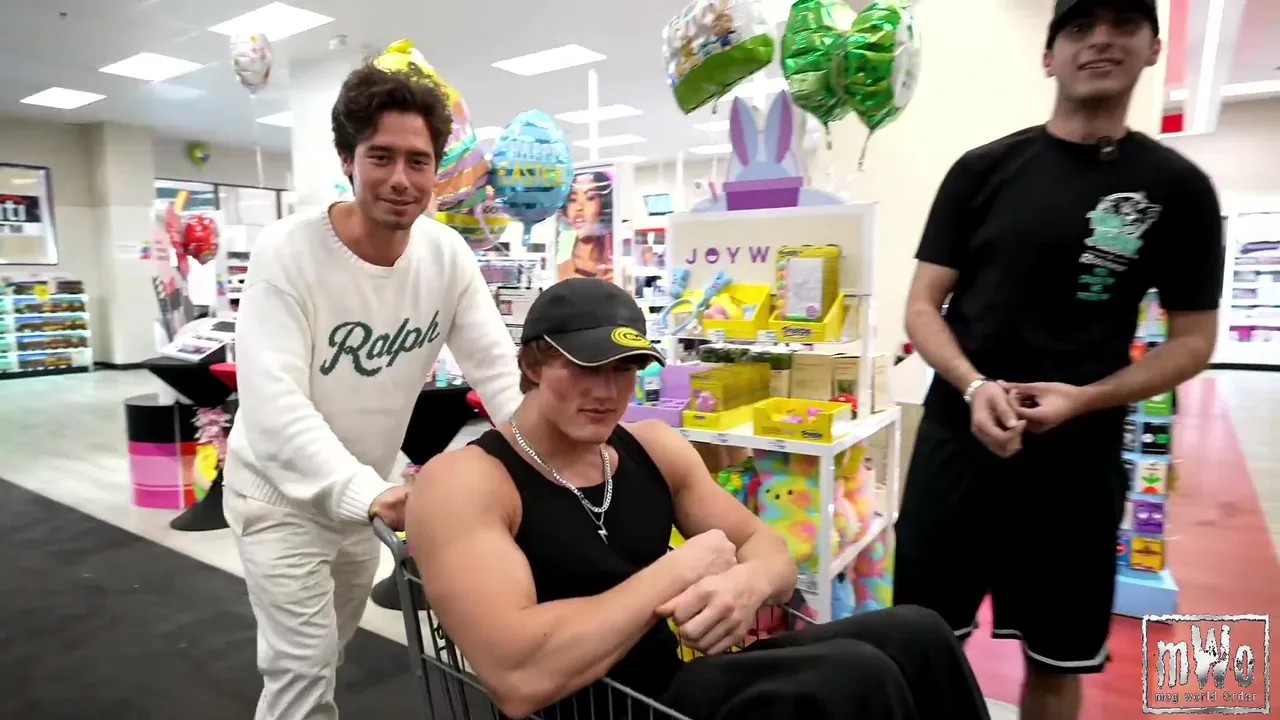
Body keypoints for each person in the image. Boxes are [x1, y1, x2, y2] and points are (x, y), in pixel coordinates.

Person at [406, 278, 993, 720]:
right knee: (858, 676)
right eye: (585, 365)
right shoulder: (467, 481)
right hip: (595, 707)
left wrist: (747, 583)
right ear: (532, 363)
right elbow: (518, 676)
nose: (607, 390)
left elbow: (770, 552)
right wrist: (681, 568)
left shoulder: (652, 447)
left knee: (918, 632)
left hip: (675, 689)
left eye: (626, 368)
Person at [894, 2, 1222, 720]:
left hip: (1077, 461)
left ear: (1153, 47)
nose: (1100, 39)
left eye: (1122, 23)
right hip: (957, 444)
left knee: (1058, 659)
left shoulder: (1178, 191)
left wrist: (1085, 398)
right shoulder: (982, 171)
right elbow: (921, 306)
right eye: (1078, 27)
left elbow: (1194, 340)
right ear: (1049, 57)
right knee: (923, 645)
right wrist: (973, 385)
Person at [223, 62, 523, 720]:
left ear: (436, 170)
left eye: (418, 161)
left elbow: (501, 373)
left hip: (362, 499)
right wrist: (371, 493)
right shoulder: (287, 252)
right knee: (301, 672)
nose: (400, 179)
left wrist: (553, 461)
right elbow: (273, 406)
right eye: (380, 157)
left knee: (330, 652)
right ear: (347, 161)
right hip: (278, 497)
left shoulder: (446, 256)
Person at [556, 170, 615, 282]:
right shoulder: (558, 272)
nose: (579, 207)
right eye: (573, 199)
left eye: (590, 198)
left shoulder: (616, 269)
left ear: (604, 205)